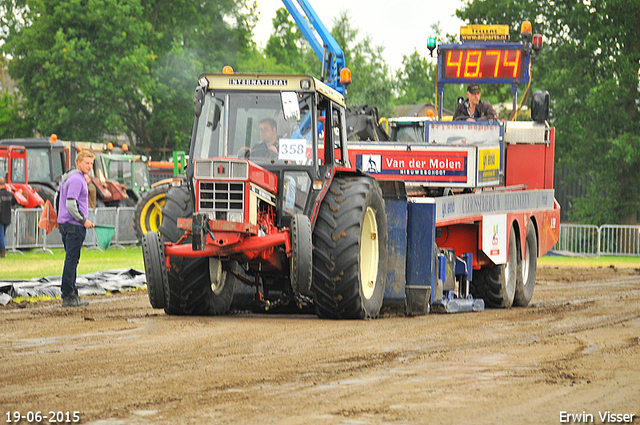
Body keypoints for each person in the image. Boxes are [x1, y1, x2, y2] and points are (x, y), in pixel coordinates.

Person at [57, 151, 95, 307]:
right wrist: (83, 220)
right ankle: (68, 295)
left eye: (92, 164)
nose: (90, 166)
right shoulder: (77, 180)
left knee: (71, 260)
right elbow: (71, 204)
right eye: (87, 163)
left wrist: (59, 217)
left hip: (66, 224)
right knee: (72, 261)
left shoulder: (67, 178)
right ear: (78, 162)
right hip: (74, 225)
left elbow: (57, 198)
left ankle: (72, 293)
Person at [0, 177, 18, 258]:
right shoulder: (10, 194)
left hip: (0, 218)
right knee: (2, 235)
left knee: (1, 236)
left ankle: (2, 252)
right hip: (7, 218)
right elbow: (15, 203)